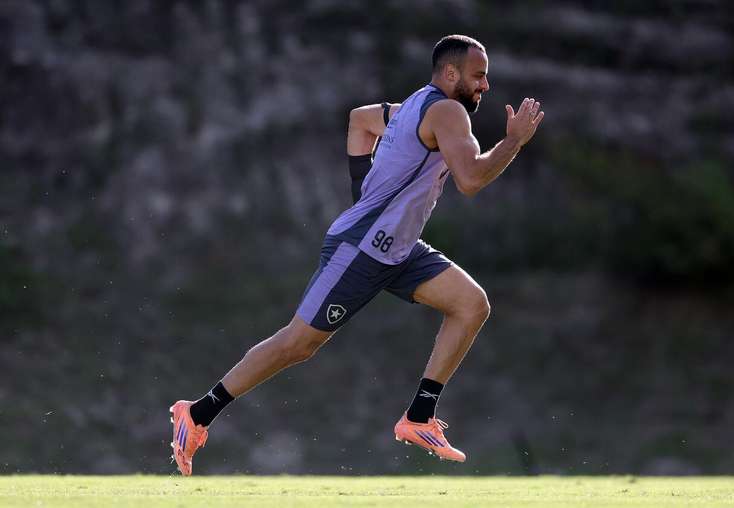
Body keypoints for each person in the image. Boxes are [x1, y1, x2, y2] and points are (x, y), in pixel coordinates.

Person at [170, 34, 544, 475]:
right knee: (298, 344)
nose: (485, 85)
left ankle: (419, 417)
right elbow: (471, 179)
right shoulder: (448, 111)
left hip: (399, 251)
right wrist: (514, 140)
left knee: (470, 304)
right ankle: (195, 415)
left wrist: (361, 191)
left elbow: (360, 121)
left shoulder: (410, 107)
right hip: (363, 248)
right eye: (478, 75)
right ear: (450, 74)